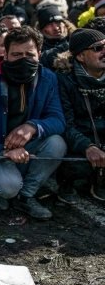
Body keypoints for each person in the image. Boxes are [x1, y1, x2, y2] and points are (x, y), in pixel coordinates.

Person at [0, 26, 66, 219]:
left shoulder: (48, 79)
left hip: (29, 149)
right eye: (16, 54)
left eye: (30, 54)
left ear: (39, 53)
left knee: (56, 143)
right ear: (5, 55)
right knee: (8, 187)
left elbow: (58, 119)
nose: (23, 60)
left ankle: (26, 196)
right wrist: (3, 152)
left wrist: (33, 127)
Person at [54, 29, 105, 202]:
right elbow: (64, 124)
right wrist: (87, 146)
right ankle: (66, 183)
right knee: (75, 165)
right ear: (81, 57)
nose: (104, 52)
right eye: (98, 48)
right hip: (79, 141)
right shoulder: (64, 80)